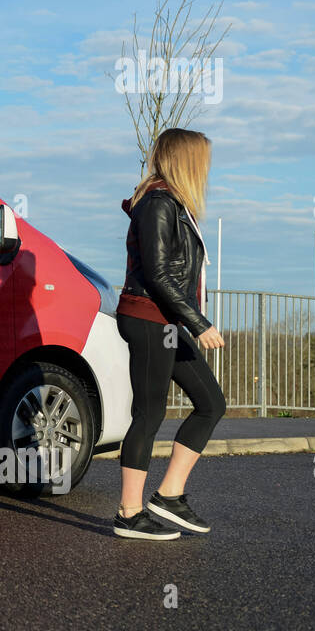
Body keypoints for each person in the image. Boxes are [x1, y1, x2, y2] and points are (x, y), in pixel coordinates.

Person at [113, 128, 227, 540]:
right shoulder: (159, 204)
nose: (207, 169)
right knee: (150, 413)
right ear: (186, 160)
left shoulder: (174, 204)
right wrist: (200, 323)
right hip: (148, 318)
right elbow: (159, 276)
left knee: (211, 403)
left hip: (164, 321)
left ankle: (169, 495)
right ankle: (128, 513)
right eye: (203, 160)